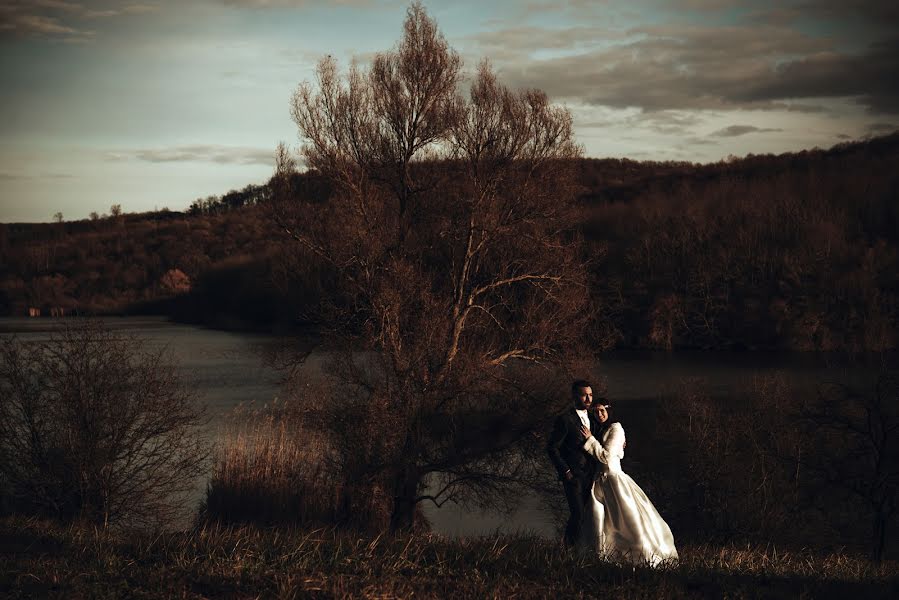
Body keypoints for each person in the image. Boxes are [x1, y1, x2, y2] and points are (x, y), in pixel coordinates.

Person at [578, 403, 678, 565]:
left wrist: (590, 440)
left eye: (602, 411)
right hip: (600, 481)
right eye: (595, 412)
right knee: (602, 522)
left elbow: (606, 458)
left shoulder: (616, 428)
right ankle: (602, 557)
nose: (599, 414)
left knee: (626, 521)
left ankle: (639, 555)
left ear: (609, 411)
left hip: (613, 479)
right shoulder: (601, 429)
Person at [546, 380, 601, 547]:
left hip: (592, 475)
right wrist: (566, 471)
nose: (588, 399)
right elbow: (552, 448)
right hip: (573, 476)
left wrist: (620, 443)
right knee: (577, 514)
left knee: (590, 516)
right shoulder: (565, 419)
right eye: (584, 395)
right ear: (575, 396)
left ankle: (582, 550)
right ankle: (567, 551)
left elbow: (601, 441)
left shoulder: (594, 418)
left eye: (590, 395)